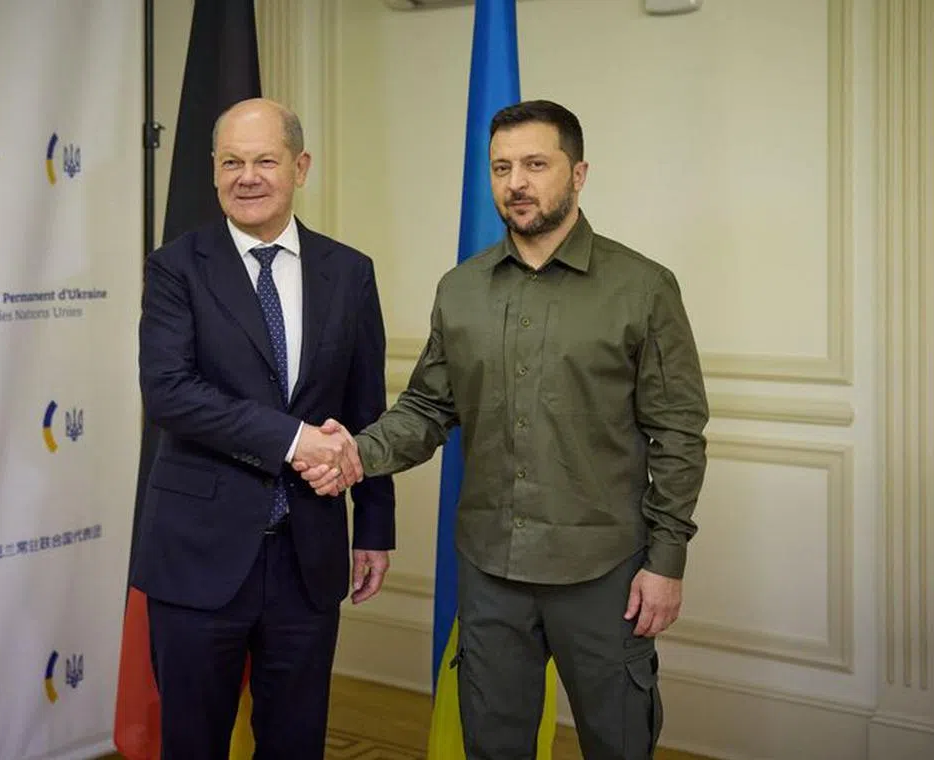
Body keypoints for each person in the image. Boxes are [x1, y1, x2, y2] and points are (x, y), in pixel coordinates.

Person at [297, 99, 709, 760]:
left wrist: (666, 563)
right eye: (502, 167)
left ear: (577, 174)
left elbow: (680, 435)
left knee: (620, 742)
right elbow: (427, 410)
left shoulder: (643, 288)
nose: (516, 182)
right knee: (493, 747)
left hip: (604, 573)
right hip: (490, 569)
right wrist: (353, 455)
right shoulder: (460, 289)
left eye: (536, 164)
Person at [131, 97, 394, 760]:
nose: (247, 176)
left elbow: (365, 408)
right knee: (193, 744)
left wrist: (376, 528)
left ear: (300, 167)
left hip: (308, 556)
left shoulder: (350, 272)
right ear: (214, 171)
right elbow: (169, 394)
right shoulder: (175, 268)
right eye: (231, 162)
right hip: (198, 558)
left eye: (265, 161)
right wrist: (293, 438)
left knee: (296, 743)